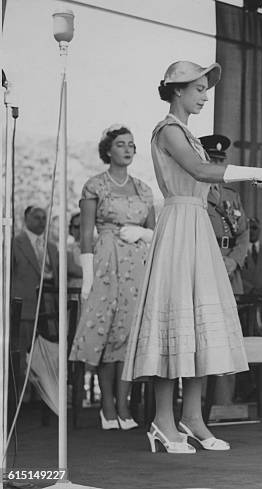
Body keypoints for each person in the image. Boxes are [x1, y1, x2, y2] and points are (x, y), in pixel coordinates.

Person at [122, 60, 262, 454]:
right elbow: (200, 170)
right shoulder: (168, 130)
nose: (204, 96)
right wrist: (258, 172)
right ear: (177, 90)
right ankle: (162, 421)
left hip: (197, 228)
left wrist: (260, 176)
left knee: (198, 323)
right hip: (179, 225)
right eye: (198, 89)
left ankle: (192, 418)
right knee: (174, 321)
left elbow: (206, 172)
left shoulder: (189, 133)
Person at [69, 125, 155, 432]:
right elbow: (85, 233)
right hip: (107, 262)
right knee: (106, 333)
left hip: (138, 265)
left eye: (132, 144)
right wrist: (89, 277)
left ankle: (123, 405)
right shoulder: (95, 186)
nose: (128, 149)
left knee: (129, 334)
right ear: (108, 150)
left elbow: (156, 232)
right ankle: (107, 407)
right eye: (121, 144)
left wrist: (144, 232)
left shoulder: (144, 189)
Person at [199, 133, 249, 409]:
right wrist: (218, 263)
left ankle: (224, 403)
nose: (217, 164)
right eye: (211, 159)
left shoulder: (232, 195)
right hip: (206, 270)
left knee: (228, 337)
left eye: (221, 160)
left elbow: (244, 235)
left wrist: (233, 262)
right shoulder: (196, 190)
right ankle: (204, 403)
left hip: (231, 272)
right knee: (206, 337)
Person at [11, 205, 60, 395]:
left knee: (48, 353)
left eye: (43, 218)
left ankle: (46, 396)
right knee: (23, 352)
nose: (41, 221)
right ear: (26, 219)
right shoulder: (15, 243)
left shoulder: (52, 246)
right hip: (25, 307)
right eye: (37, 217)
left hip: (50, 307)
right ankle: (23, 397)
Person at [67, 212, 83, 289]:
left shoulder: (99, 246)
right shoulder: (67, 247)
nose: (81, 230)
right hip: (75, 291)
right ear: (71, 229)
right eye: (77, 227)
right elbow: (71, 269)